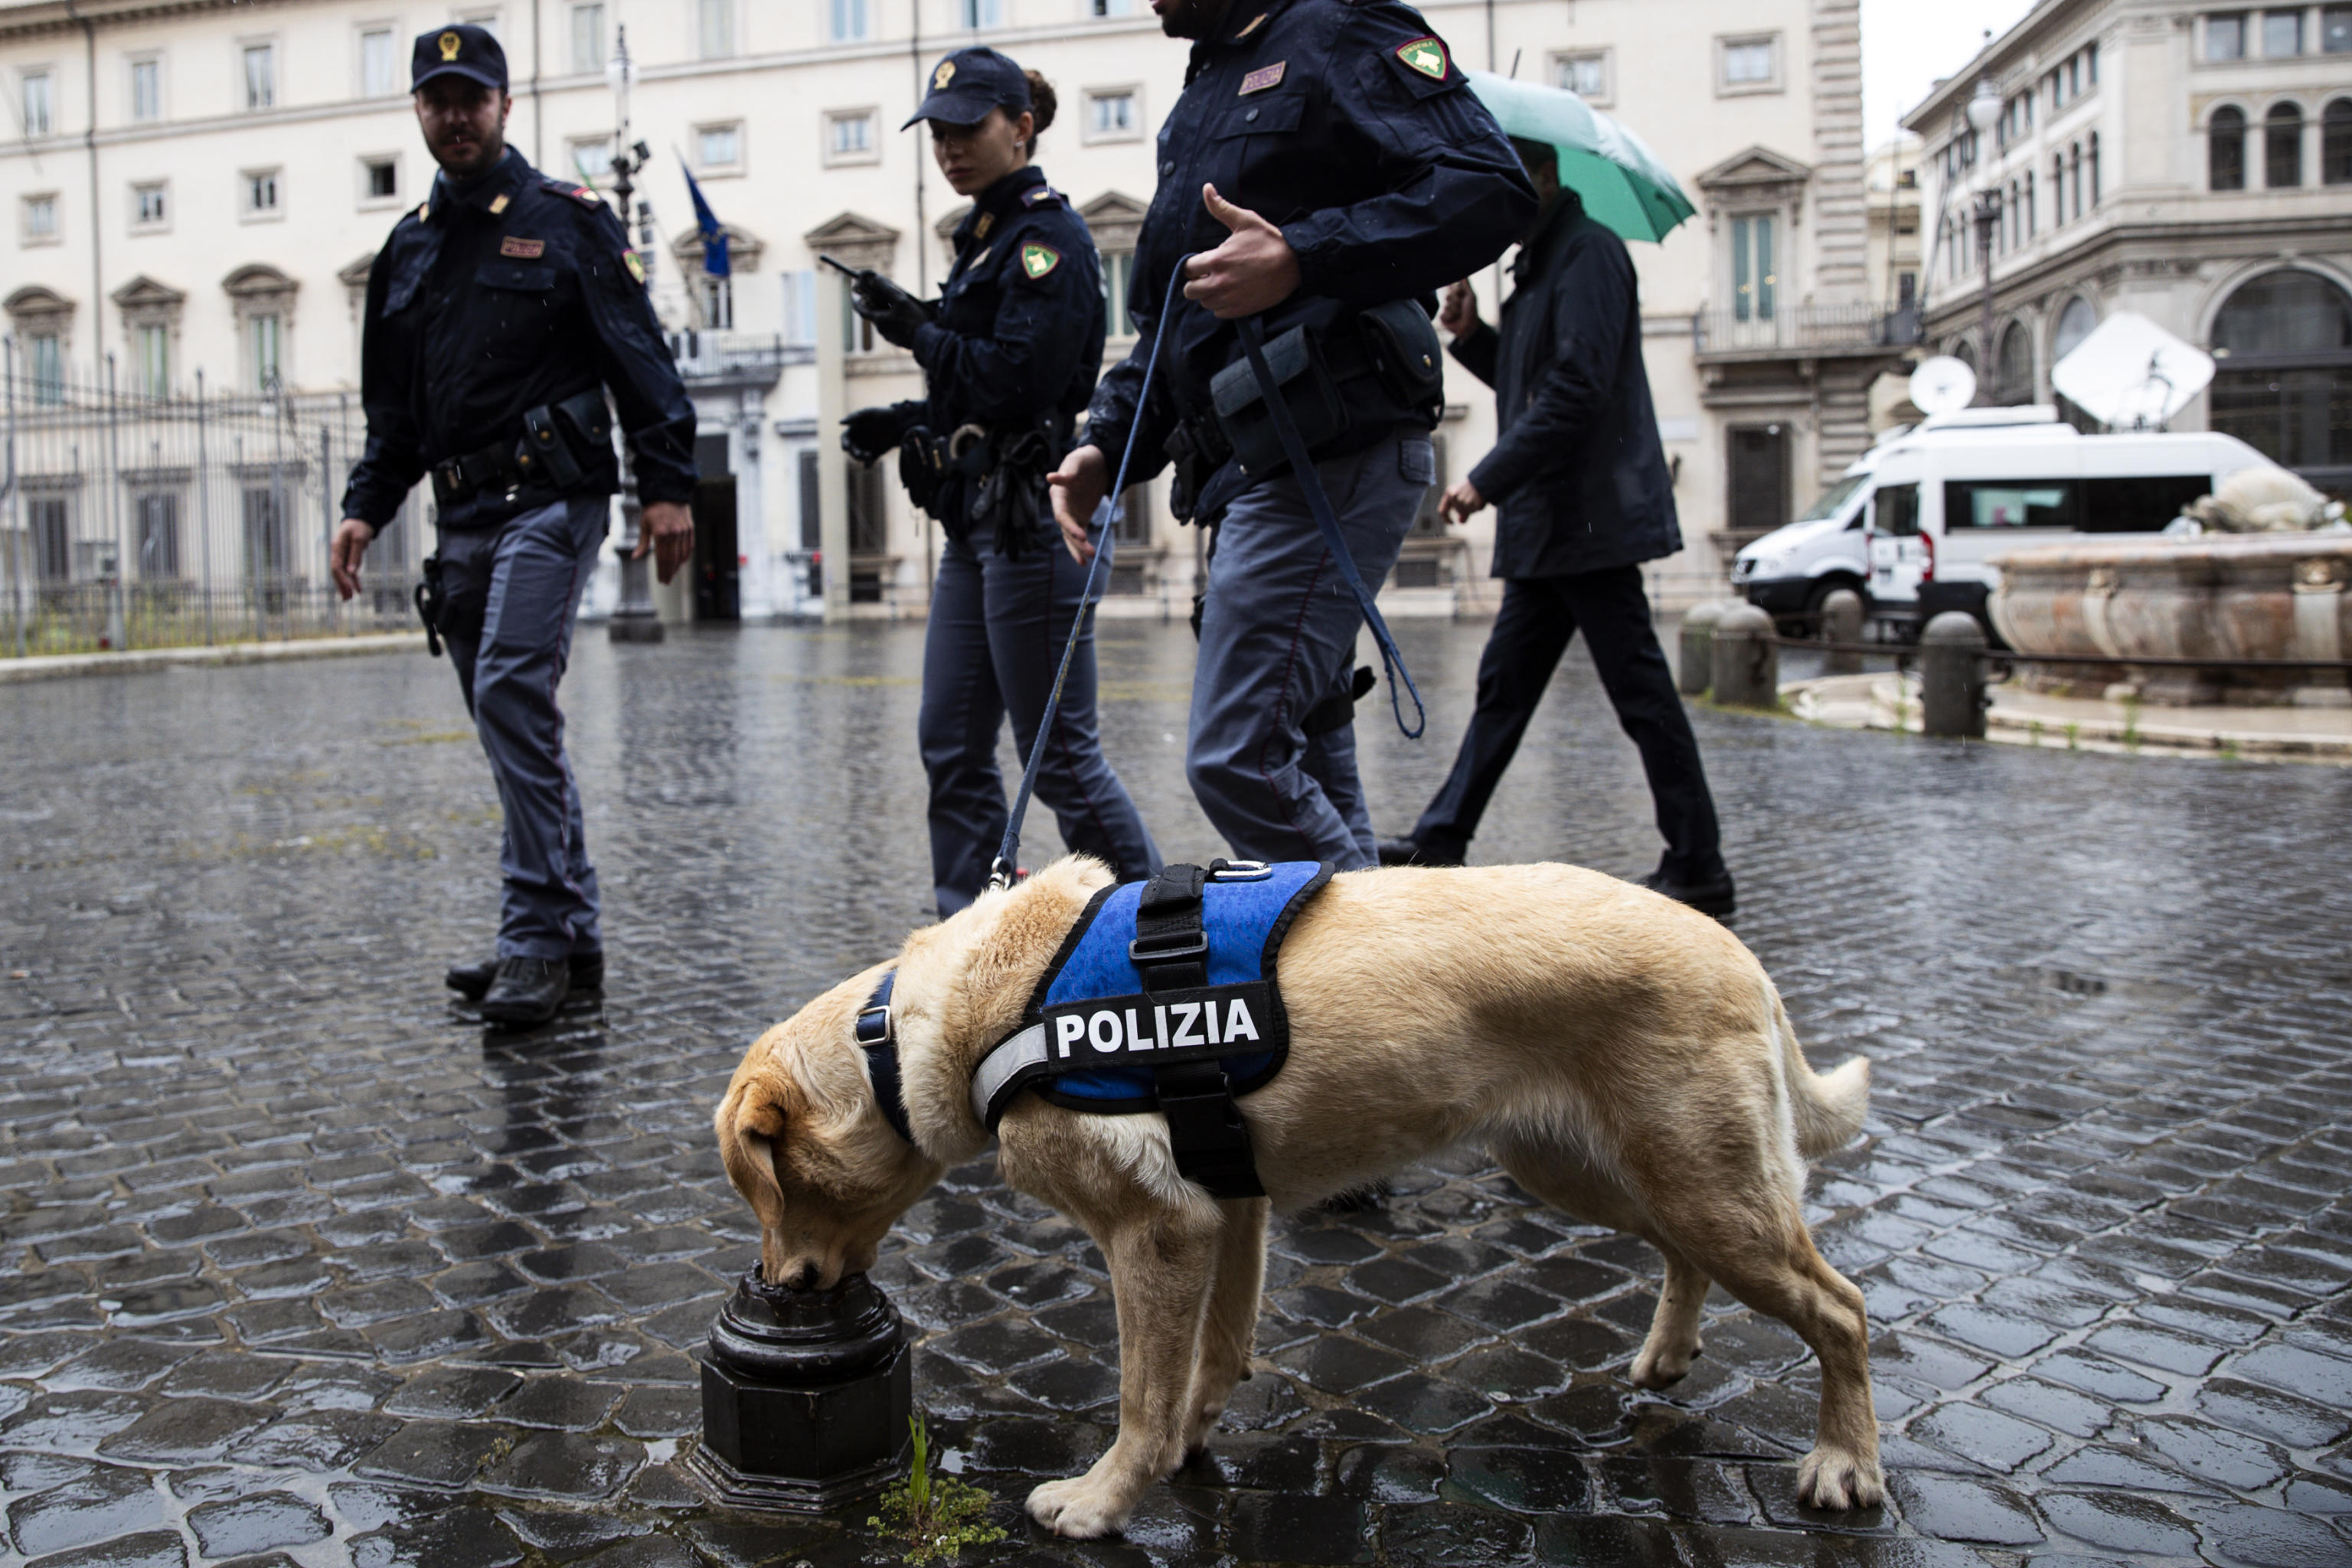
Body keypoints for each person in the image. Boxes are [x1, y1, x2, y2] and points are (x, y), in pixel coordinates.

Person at [1048, 0, 1534, 871]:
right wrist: (1104, 445)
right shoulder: (1203, 88)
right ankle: (1364, 1002)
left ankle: (1388, 982)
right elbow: (1171, 321)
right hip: (1245, 467)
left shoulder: (1341, 29)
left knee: (1238, 758)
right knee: (1307, 760)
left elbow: (1488, 185)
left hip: (1329, 451)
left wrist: (1304, 254)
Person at [329, 24, 697, 1024]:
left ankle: (531, 937)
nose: (456, 115)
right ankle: (575, 946)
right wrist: (367, 506)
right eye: (438, 99)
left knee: (507, 690)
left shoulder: (567, 219)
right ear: (418, 109)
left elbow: (642, 358)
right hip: (462, 519)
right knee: (515, 727)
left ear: (503, 104)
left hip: (554, 498)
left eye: (472, 97)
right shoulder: (406, 247)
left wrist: (667, 483)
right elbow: (394, 412)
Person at [1375, 139, 1736, 916]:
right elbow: (1532, 376)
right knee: (1503, 688)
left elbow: (1576, 389)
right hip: (1552, 526)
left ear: (1542, 177)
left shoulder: (1589, 255)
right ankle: (1442, 835)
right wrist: (1472, 335)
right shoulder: (1539, 265)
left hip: (1591, 519)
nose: (1495, 207)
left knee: (1641, 697)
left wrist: (1484, 477)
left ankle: (1699, 862)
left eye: (1506, 186)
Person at [842, 47, 1160, 917]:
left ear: (1020, 128)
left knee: (1059, 755)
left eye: (966, 129)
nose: (947, 148)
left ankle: (1166, 928)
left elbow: (1021, 381)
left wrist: (919, 332)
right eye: (937, 133)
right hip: (977, 524)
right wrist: (908, 418)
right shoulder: (984, 238)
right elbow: (973, 386)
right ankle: (972, 937)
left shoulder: (1047, 240)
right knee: (950, 741)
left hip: (1034, 520)